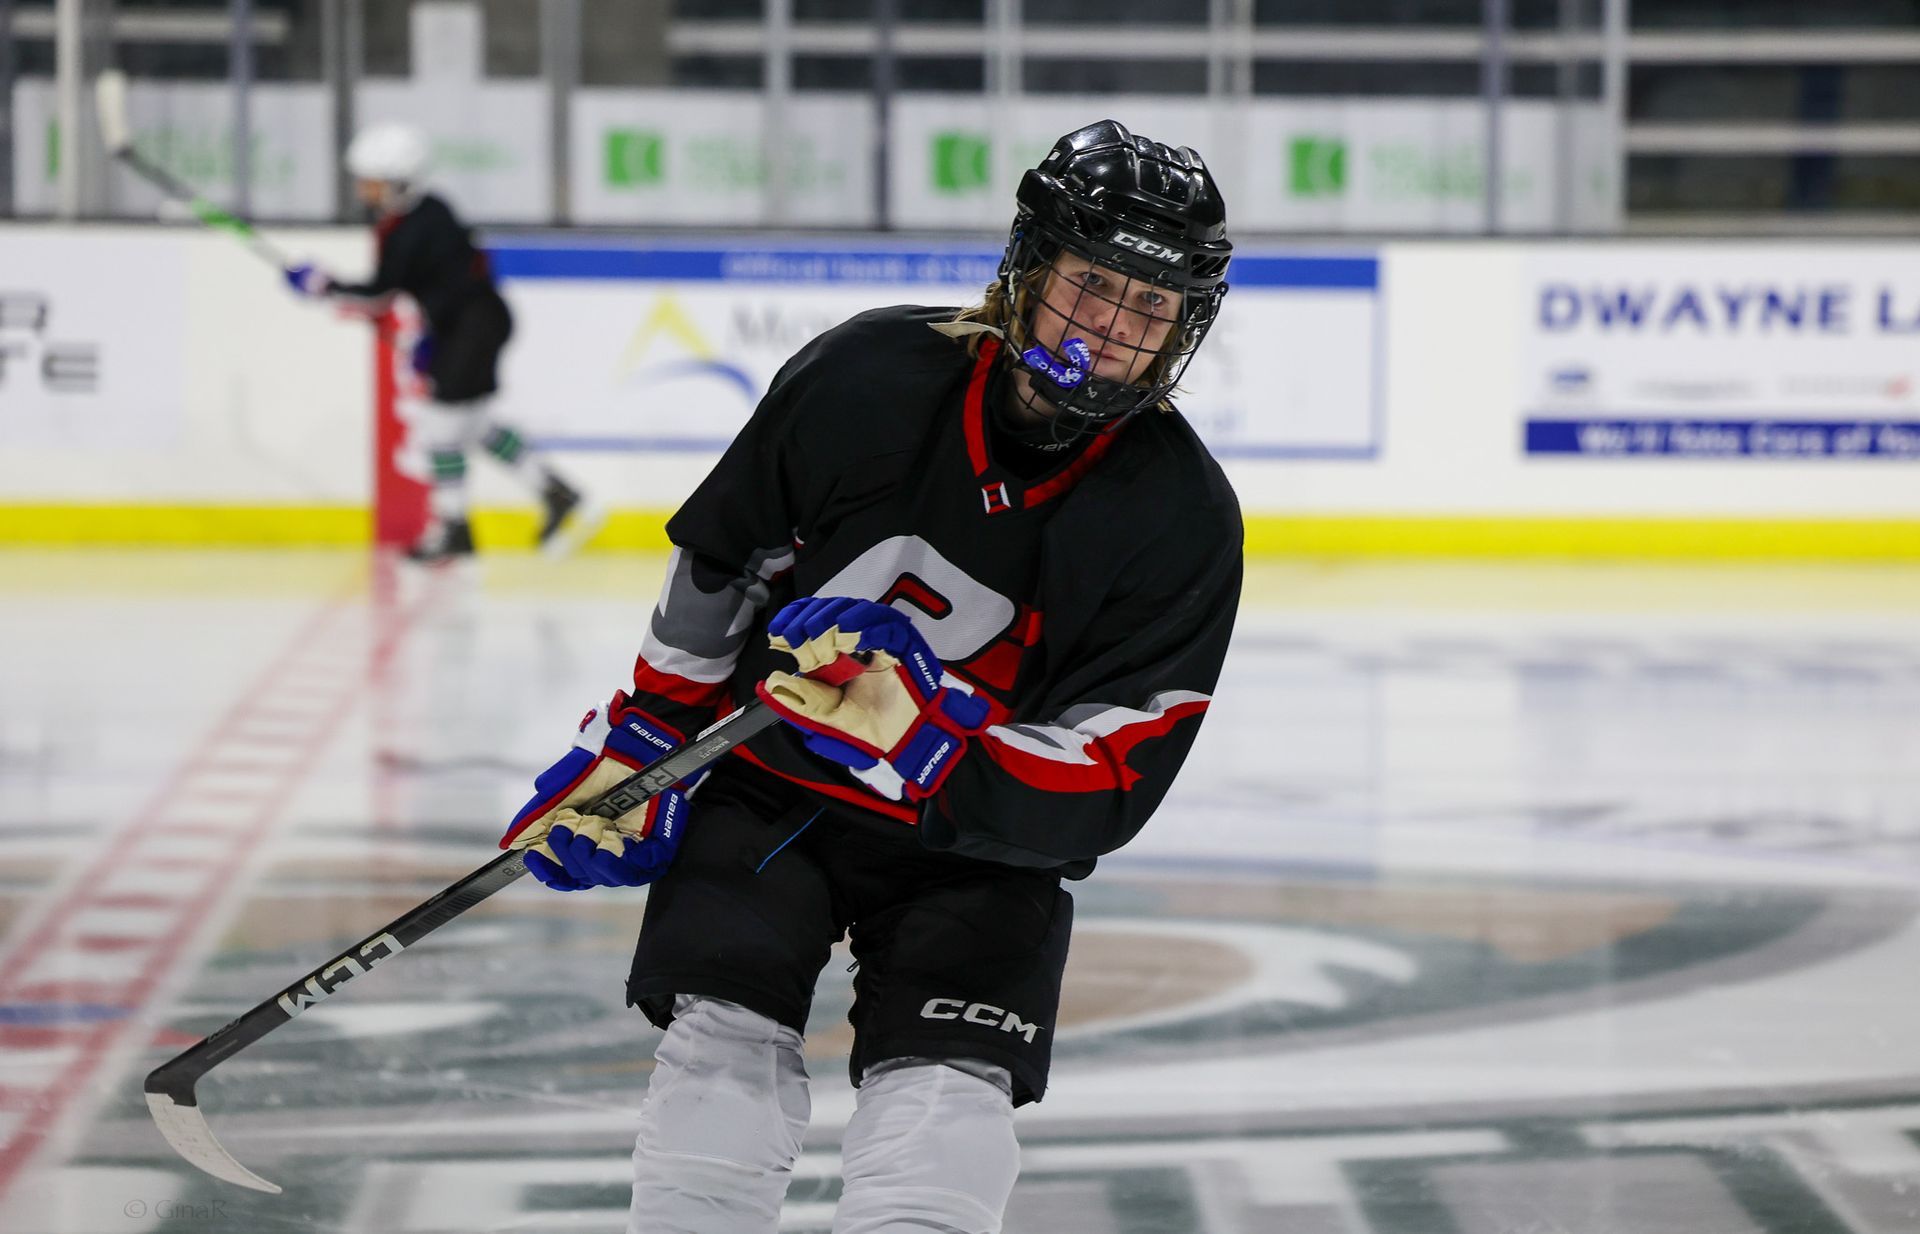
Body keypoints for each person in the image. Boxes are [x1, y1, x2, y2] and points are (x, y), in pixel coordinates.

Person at [500, 119, 1241, 1234]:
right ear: (1029, 266)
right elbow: (729, 557)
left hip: (975, 843)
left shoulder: (1180, 516)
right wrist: (647, 736)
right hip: (773, 784)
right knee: (719, 1043)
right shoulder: (867, 376)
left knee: (944, 1101)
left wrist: (932, 739)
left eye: (1151, 303)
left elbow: (1112, 776)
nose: (1112, 326)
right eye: (1092, 282)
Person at [285, 121, 595, 562]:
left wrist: (323, 285)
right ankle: (556, 492)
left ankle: (455, 527)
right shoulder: (428, 210)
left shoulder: (409, 228)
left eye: (371, 182)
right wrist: (429, 337)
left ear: (397, 181)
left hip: (470, 331)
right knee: (474, 426)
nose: (363, 190)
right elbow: (426, 286)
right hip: (470, 326)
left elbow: (380, 293)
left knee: (439, 429)